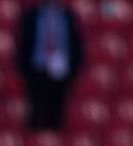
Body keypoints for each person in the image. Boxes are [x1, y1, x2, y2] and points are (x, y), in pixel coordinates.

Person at [16, 0, 83, 131]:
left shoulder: (68, 16)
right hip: (37, 70)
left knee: (58, 113)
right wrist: (25, 70)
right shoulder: (31, 15)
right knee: (37, 113)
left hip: (62, 72)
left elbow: (76, 44)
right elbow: (23, 43)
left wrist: (73, 69)